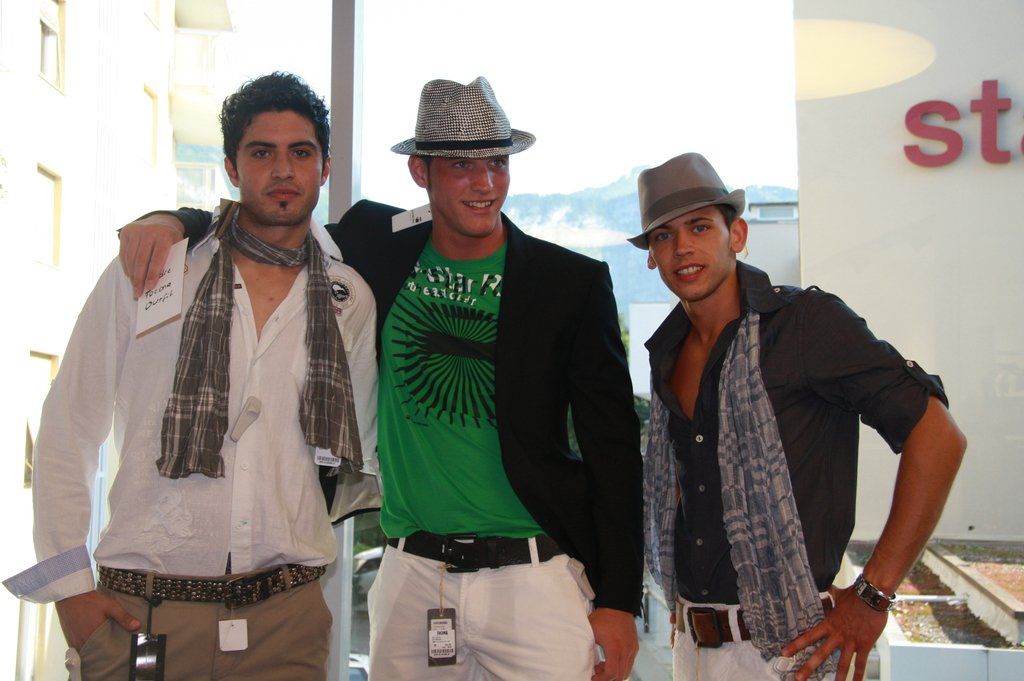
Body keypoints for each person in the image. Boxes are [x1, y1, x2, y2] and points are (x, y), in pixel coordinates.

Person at [115, 76, 643, 681]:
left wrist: (620, 601)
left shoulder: (569, 283)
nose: (485, 183)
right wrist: (175, 219)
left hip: (535, 578)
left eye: (497, 162)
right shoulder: (375, 239)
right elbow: (272, 221)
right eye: (462, 164)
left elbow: (614, 450)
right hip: (411, 577)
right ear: (420, 171)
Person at [3, 72, 379, 681]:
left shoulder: (348, 296)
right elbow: (70, 425)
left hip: (285, 621)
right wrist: (69, 590)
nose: (283, 170)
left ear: (325, 167)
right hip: (143, 612)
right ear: (232, 167)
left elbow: (348, 451)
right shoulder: (152, 268)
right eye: (262, 153)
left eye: (300, 152)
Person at [632, 152, 967, 681]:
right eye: (663, 236)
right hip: (690, 644)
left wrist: (873, 594)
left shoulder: (805, 324)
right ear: (651, 256)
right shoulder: (667, 350)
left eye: (699, 227)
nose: (682, 248)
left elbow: (939, 436)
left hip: (790, 648)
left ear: (737, 234)